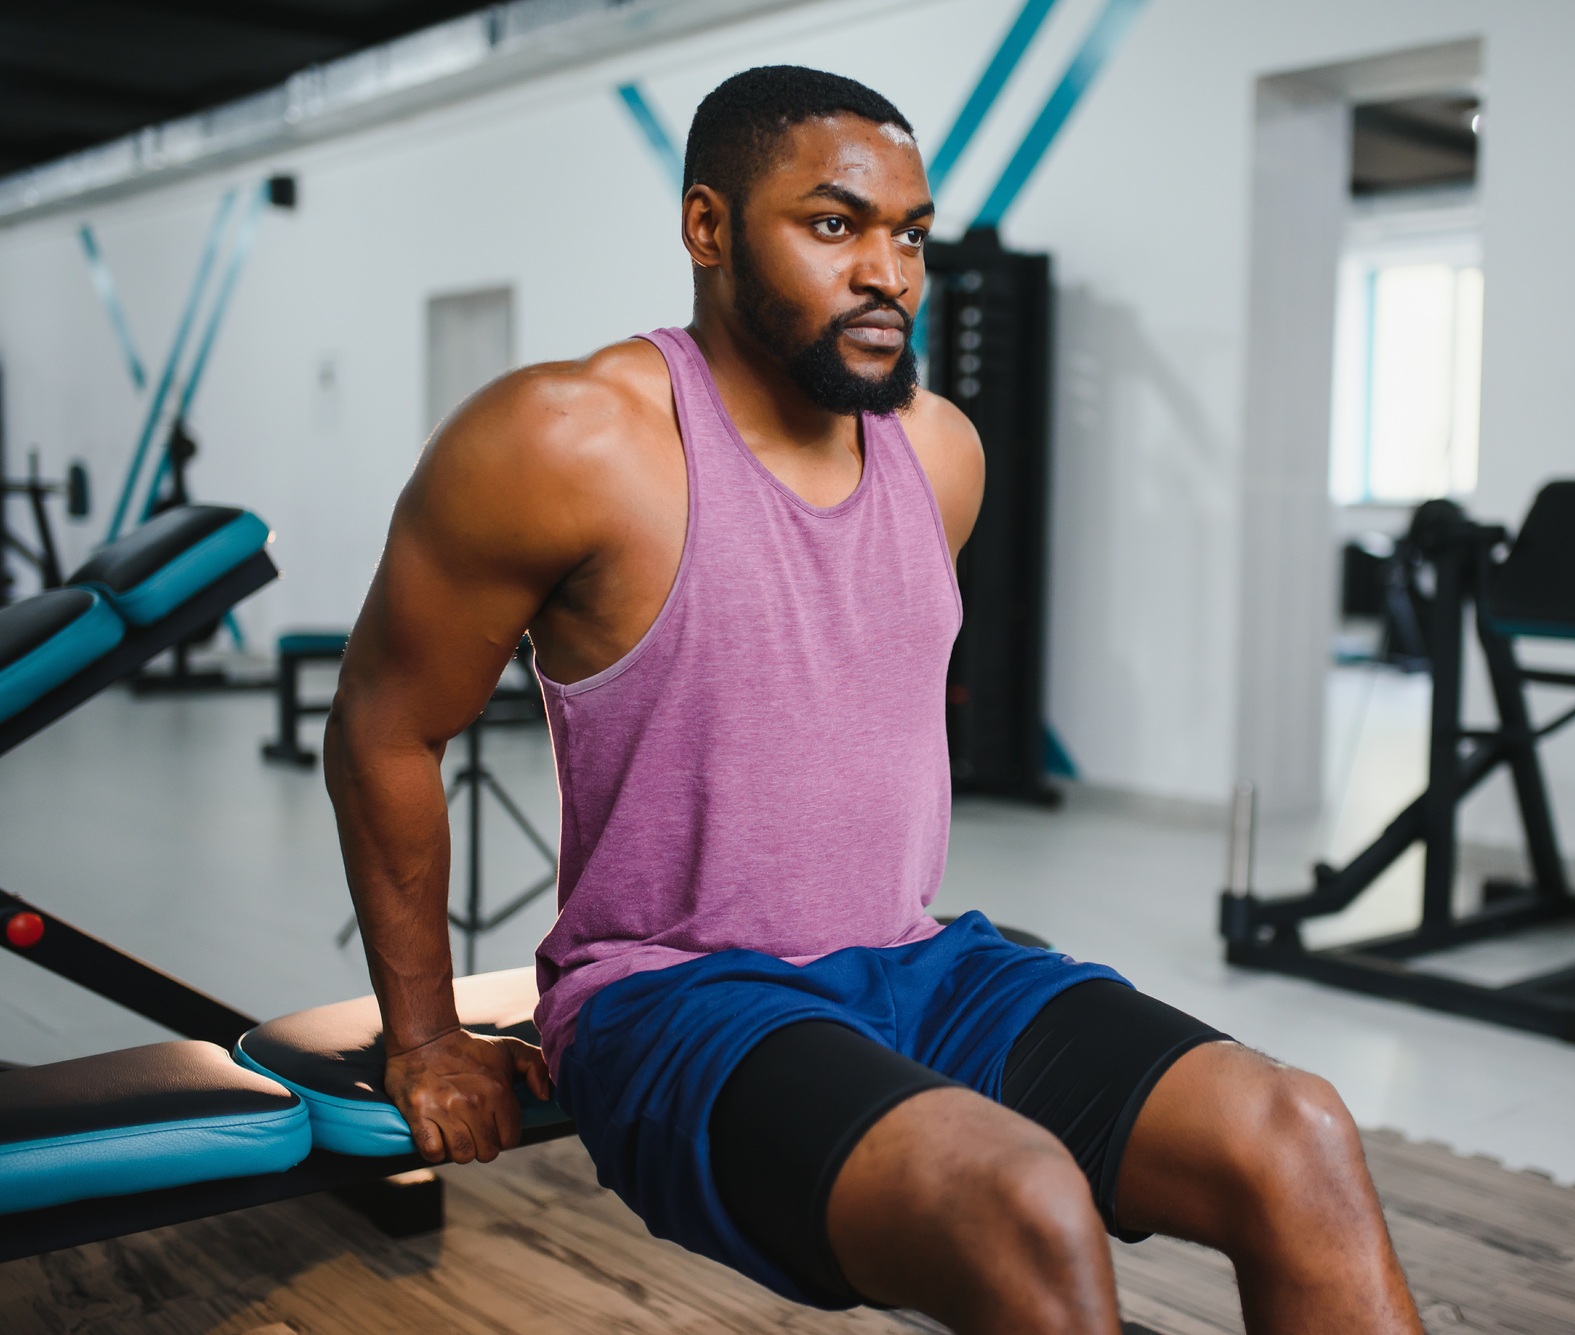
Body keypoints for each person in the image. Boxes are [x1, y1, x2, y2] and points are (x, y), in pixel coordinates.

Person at [325, 64, 1421, 1335]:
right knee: (1023, 1201)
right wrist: (423, 1038)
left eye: (909, 235)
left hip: (920, 960)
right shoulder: (565, 441)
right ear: (707, 227)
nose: (888, 272)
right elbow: (385, 725)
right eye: (834, 224)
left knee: (1298, 1136)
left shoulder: (939, 454)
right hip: (676, 994)